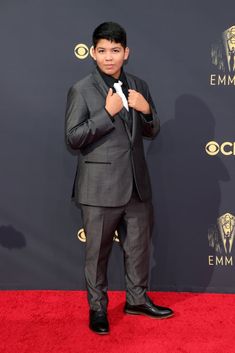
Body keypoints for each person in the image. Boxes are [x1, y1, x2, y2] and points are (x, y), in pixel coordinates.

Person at [65, 22, 174, 335]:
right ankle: (98, 308)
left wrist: (147, 110)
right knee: (96, 254)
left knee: (138, 248)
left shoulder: (138, 84)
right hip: (99, 188)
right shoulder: (81, 89)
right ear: (93, 53)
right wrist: (106, 113)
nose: (108, 57)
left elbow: (151, 131)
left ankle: (136, 300)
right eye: (102, 50)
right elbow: (73, 138)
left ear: (126, 53)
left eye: (115, 50)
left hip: (137, 185)